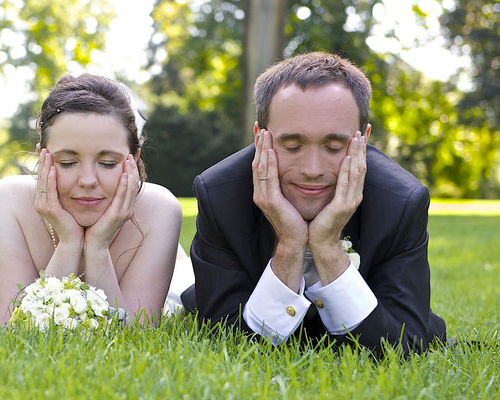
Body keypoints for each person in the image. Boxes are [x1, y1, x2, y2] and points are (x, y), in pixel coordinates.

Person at [182, 51, 446, 353]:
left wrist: (327, 247)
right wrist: (290, 245)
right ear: (259, 139)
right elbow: (227, 342)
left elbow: (405, 347)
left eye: (334, 147)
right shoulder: (220, 195)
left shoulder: (400, 203)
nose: (312, 169)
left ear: (363, 141)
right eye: (292, 146)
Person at [0, 74, 190, 325]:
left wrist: (98, 246)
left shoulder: (160, 209)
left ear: (133, 159)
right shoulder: (7, 201)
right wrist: (69, 241)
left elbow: (133, 334)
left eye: (107, 163)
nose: (88, 180)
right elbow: (16, 326)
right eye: (68, 163)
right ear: (42, 157)